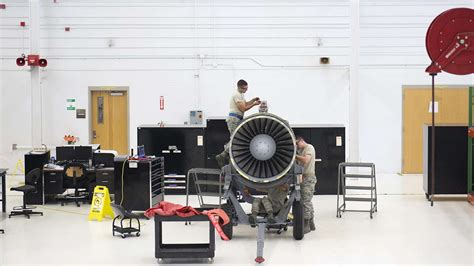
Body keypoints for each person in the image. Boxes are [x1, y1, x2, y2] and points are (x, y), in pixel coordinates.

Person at [215, 79, 260, 167]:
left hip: (237, 119)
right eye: (244, 88)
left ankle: (225, 155)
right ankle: (222, 155)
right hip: (234, 119)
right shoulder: (236, 95)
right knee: (234, 139)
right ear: (239, 87)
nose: (246, 90)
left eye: (247, 88)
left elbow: (245, 104)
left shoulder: (241, 95)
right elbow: (243, 108)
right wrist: (254, 104)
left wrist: (253, 100)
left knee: (235, 138)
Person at [295, 136, 317, 234]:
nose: (296, 146)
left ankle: (306, 225)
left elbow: (305, 160)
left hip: (309, 178)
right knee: (306, 200)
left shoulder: (309, 147)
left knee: (306, 201)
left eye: (297, 143)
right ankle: (311, 223)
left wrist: (294, 156)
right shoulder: (300, 151)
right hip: (304, 178)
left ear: (301, 141)